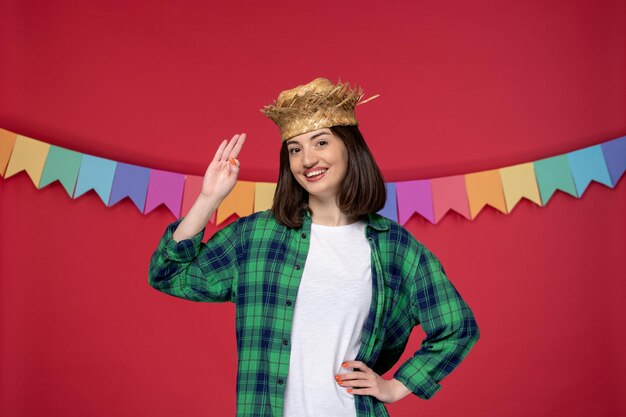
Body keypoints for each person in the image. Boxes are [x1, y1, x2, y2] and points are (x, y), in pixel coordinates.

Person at [148, 77, 480, 417]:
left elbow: (457, 326)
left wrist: (396, 387)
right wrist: (208, 199)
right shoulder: (257, 236)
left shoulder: (394, 248)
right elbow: (167, 274)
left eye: (320, 142)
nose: (307, 159)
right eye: (295, 149)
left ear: (349, 148)